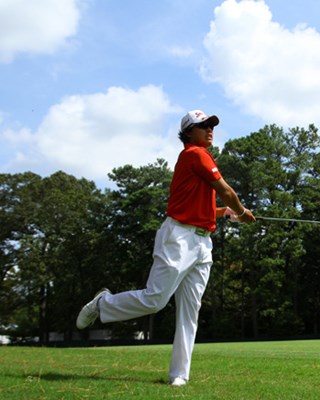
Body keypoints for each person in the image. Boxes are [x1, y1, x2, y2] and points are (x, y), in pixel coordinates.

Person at [76, 109, 256, 387]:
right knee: (155, 299)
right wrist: (241, 211)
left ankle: (179, 375)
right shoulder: (195, 155)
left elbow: (210, 205)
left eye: (211, 125)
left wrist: (227, 214)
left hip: (202, 242)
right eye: (203, 125)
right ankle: (102, 304)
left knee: (190, 309)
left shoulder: (200, 159)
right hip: (179, 237)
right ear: (188, 132)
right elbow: (227, 191)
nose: (210, 129)